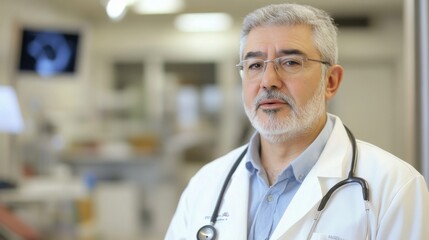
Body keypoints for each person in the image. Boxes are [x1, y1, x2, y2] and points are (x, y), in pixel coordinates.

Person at [165, 3, 429, 240]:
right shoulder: (206, 183)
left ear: (331, 81)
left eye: (290, 62)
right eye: (255, 65)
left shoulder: (394, 186)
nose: (268, 80)